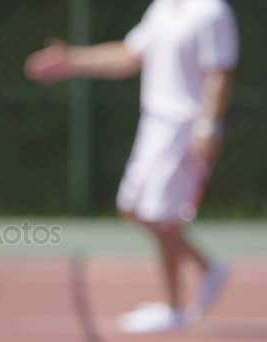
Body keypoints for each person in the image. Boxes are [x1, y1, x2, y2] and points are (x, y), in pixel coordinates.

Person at [25, 0, 238, 334]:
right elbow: (129, 55)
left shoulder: (211, 11)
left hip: (185, 128)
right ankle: (208, 268)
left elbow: (219, 73)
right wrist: (73, 60)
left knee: (158, 215)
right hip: (154, 125)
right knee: (131, 208)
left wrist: (208, 127)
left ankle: (174, 309)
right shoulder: (162, 8)